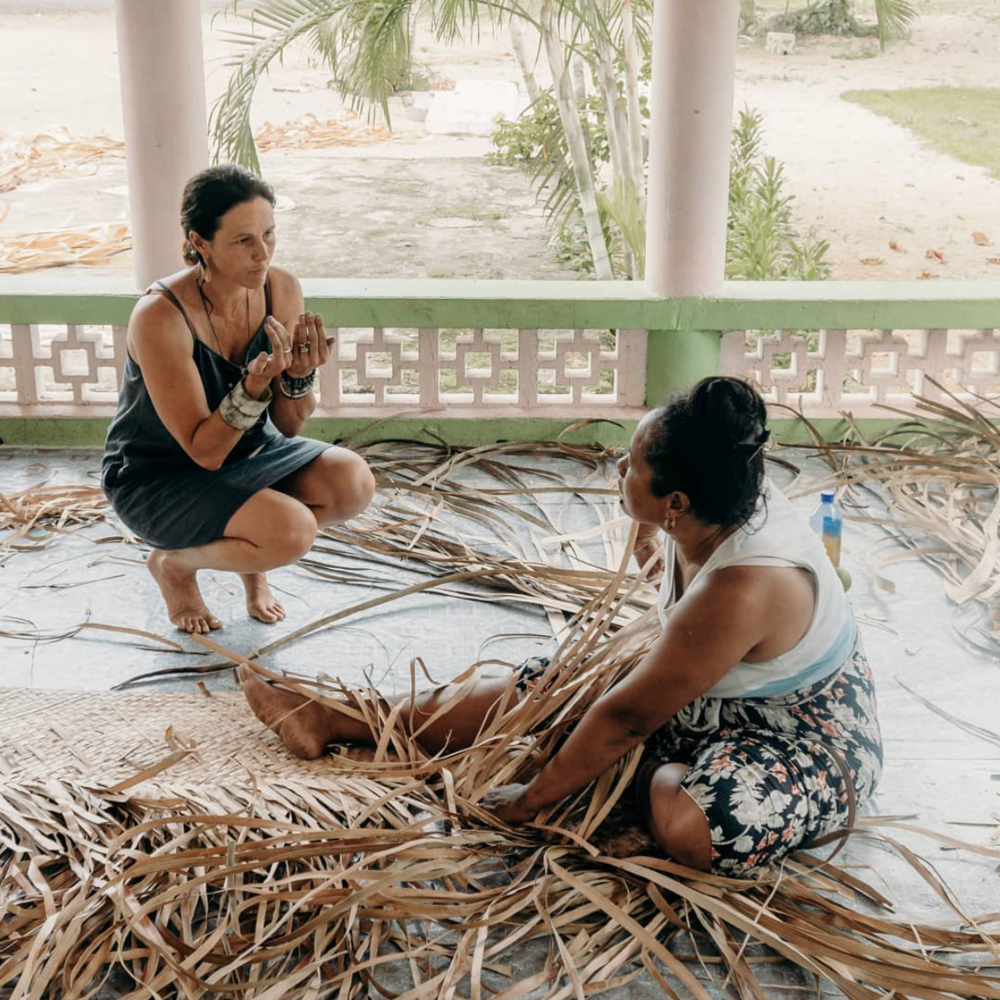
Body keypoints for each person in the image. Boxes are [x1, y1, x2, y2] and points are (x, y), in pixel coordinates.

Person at [239, 377, 882, 875]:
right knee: (544, 690)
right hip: (709, 694)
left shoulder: (744, 585)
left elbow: (627, 718)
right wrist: (648, 528)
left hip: (798, 738)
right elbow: (658, 527)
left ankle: (651, 779)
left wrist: (528, 802)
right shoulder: (715, 491)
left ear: (677, 501)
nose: (618, 470)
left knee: (690, 820)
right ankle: (329, 717)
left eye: (631, 466)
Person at [102, 165, 375, 634]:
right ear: (200, 242)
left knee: (352, 482)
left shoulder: (280, 289)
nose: (263, 254)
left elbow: (287, 426)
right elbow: (205, 453)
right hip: (160, 475)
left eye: (269, 234)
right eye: (243, 241)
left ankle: (252, 547)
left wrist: (299, 376)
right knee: (291, 531)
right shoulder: (159, 317)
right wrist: (250, 389)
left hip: (247, 452)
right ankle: (176, 566)